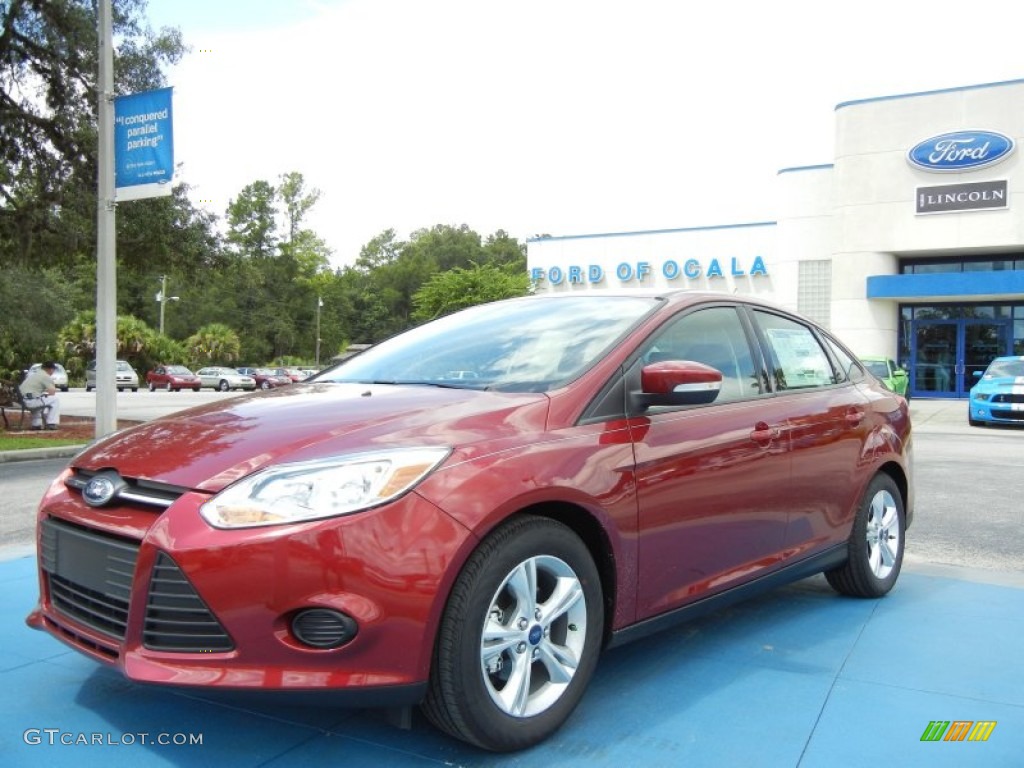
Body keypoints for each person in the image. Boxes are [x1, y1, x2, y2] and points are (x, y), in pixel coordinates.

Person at [19, 360, 61, 430]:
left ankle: (36, 424)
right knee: (55, 400)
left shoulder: (34, 374)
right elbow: (52, 392)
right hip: (29, 402)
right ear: (50, 369)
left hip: (21, 400)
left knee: (39, 399)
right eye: (53, 370)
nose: (53, 372)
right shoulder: (45, 376)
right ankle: (51, 423)